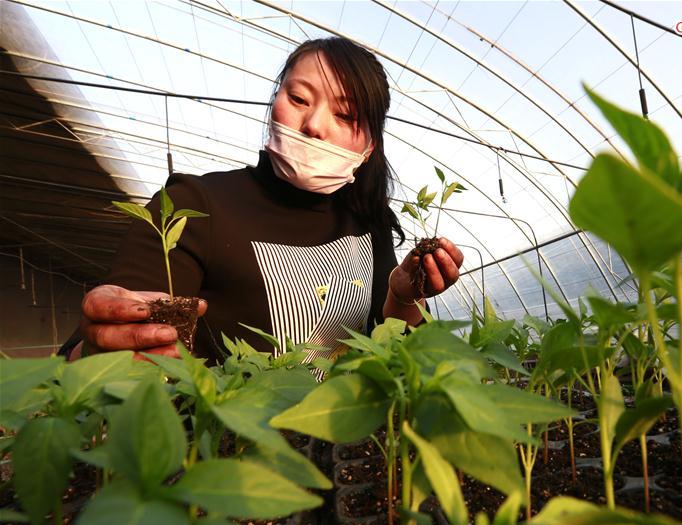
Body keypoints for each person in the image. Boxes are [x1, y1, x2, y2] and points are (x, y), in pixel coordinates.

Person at [61, 37, 464, 363]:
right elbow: (106, 346)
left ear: (369, 146)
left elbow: (390, 349)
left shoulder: (367, 222)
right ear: (274, 104)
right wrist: (103, 346)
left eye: (344, 115)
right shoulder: (194, 205)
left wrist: (401, 297)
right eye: (300, 99)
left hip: (344, 445)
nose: (314, 125)